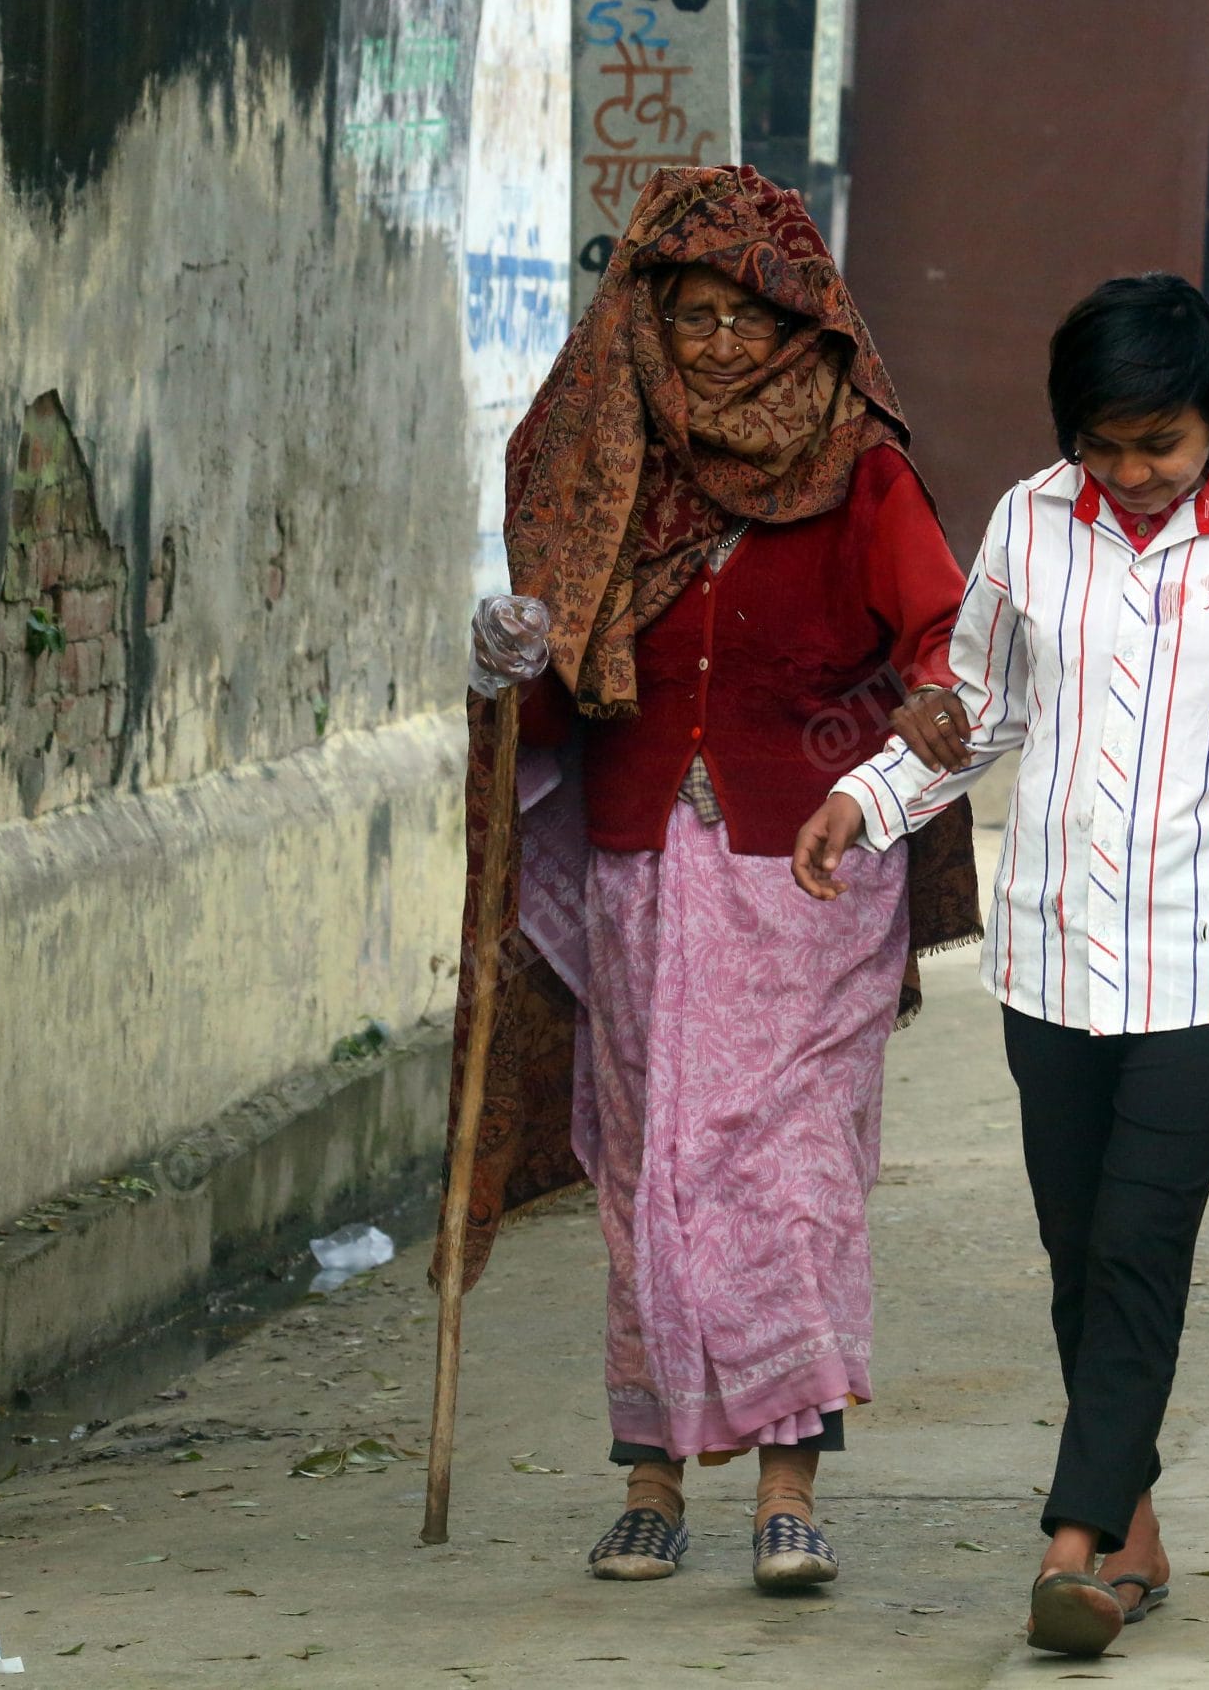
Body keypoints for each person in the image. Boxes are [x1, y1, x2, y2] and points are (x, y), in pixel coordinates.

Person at [792, 273, 1209, 1655]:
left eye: (1160, 447)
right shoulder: (1024, 522)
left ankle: (1073, 1545)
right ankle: (1137, 1530)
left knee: (1140, 1239)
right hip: (1052, 953)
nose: (1129, 476)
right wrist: (870, 799)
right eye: (1104, 447)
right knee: (1078, 1248)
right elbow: (984, 709)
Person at [456, 165, 980, 1592]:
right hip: (643, 868)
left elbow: (951, 645)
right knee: (651, 1174)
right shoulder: (609, 467)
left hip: (810, 879)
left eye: (747, 316)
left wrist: (897, 757)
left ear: (806, 322)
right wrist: (515, 662)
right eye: (689, 316)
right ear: (648, 324)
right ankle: (651, 1473)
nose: (719, 345)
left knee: (793, 1178)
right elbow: (562, 676)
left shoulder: (862, 469)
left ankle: (790, 1482)